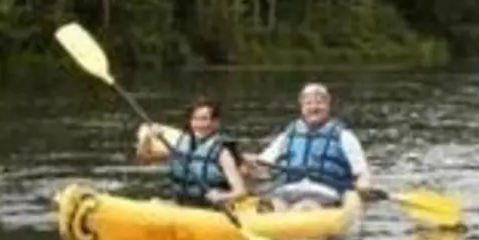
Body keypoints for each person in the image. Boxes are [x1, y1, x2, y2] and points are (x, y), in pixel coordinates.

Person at [255, 82, 372, 211]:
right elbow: (263, 163)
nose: (314, 108)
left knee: (305, 207)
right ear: (302, 107)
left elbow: (361, 172)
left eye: (319, 103)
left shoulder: (344, 136)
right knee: (276, 204)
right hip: (287, 192)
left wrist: (363, 185)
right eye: (308, 103)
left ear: (328, 105)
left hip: (325, 193)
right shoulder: (288, 135)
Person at [136, 97, 248, 208]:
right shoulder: (179, 145)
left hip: (210, 210)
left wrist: (221, 196)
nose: (200, 124)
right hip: (181, 205)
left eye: (204, 119)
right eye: (195, 119)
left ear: (215, 122)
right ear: (190, 121)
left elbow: (241, 191)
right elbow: (144, 158)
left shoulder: (223, 153)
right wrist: (148, 138)